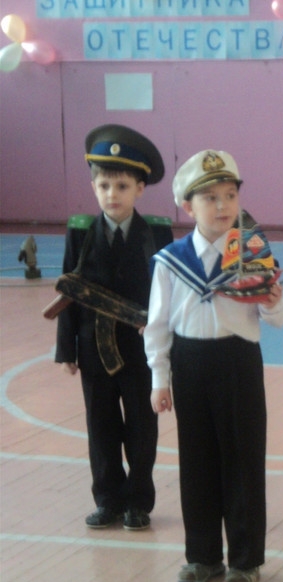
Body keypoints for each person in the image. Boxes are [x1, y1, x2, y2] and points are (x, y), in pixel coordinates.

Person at [144, 149, 283, 582]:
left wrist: (273, 301)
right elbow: (157, 325)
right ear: (187, 207)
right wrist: (159, 379)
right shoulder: (170, 261)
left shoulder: (252, 253)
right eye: (209, 198)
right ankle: (202, 556)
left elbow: (277, 320)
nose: (223, 206)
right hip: (189, 364)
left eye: (230, 195)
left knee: (243, 462)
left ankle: (245, 560)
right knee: (197, 463)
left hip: (238, 362)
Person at [55, 124, 173, 531]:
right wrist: (66, 349)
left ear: (140, 188)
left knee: (142, 427)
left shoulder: (155, 234)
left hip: (141, 350)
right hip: (92, 348)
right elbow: (69, 289)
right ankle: (107, 499)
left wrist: (166, 345)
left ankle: (138, 501)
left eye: (122, 186)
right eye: (104, 185)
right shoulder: (80, 233)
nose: (112, 194)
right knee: (101, 427)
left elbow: (167, 292)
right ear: (93, 187)